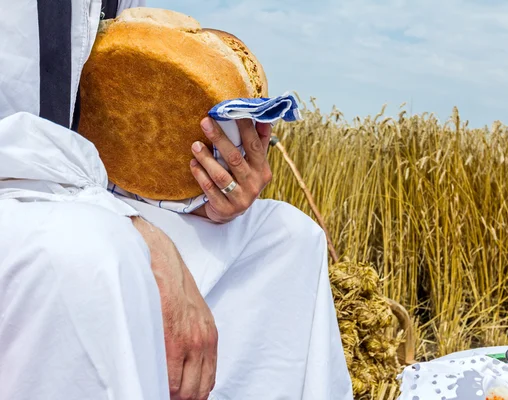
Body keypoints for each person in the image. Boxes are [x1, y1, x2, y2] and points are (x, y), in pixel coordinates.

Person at [0, 1, 353, 399]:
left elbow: (110, 145)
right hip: (18, 194)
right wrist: (132, 227)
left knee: (287, 237)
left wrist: (202, 196)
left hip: (82, 194)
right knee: (99, 252)